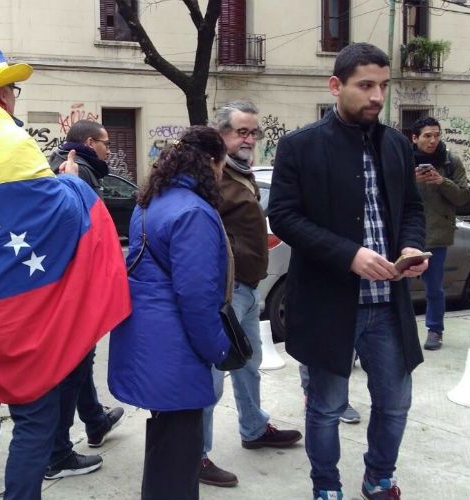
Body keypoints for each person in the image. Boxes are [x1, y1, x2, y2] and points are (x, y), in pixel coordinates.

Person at [0, 49, 131, 500]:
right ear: (1, 94)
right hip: (22, 317)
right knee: (35, 419)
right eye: (13, 90)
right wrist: (73, 182)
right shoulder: (11, 141)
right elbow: (53, 213)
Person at [267, 43, 427, 500]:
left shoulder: (397, 143)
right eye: (366, 86)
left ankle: (379, 476)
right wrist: (349, 254)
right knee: (326, 407)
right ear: (335, 86)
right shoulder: (299, 145)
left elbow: (411, 209)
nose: (377, 96)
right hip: (329, 303)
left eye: (383, 85)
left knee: (395, 403)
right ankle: (326, 486)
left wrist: (411, 244)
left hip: (388, 306)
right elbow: (284, 216)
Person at [109, 125, 232, 500]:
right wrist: (220, 349)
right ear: (211, 163)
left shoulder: (151, 202)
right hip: (176, 348)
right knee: (179, 455)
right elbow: (197, 298)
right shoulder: (194, 212)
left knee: (165, 446)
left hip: (150, 339)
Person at [198, 100, 302, 488]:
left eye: (253, 132)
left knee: (249, 362)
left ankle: (254, 427)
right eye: (241, 131)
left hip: (248, 287)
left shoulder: (239, 172)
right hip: (226, 290)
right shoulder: (209, 175)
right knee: (213, 377)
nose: (249, 139)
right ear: (220, 133)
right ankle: (196, 455)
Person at [44, 119, 125, 479]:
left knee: (81, 361)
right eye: (107, 143)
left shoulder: (60, 163)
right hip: (74, 286)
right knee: (73, 367)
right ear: (91, 142)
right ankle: (57, 453)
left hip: (64, 284)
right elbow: (84, 233)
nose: (111, 149)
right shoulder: (80, 175)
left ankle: (94, 421)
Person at [410, 116, 470, 351]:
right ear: (414, 138)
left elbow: (464, 197)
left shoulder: (450, 161)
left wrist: (441, 181)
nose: (433, 140)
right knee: (396, 287)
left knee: (434, 287)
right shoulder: (404, 160)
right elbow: (388, 191)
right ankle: (395, 332)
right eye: (427, 136)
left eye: (436, 135)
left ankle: (435, 329)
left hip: (436, 235)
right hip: (406, 234)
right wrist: (410, 179)